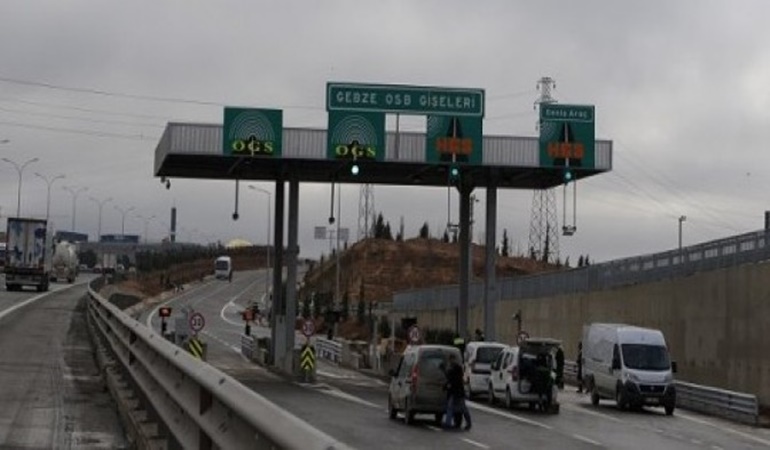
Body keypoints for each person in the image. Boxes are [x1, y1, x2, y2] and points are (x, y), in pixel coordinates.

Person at [443, 353, 471, 431]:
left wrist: (446, 385)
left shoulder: (455, 368)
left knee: (461, 408)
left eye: (451, 359)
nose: (450, 361)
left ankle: (468, 423)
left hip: (457, 391)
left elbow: (451, 378)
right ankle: (449, 423)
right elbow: (450, 378)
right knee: (453, 407)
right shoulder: (455, 368)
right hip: (456, 391)